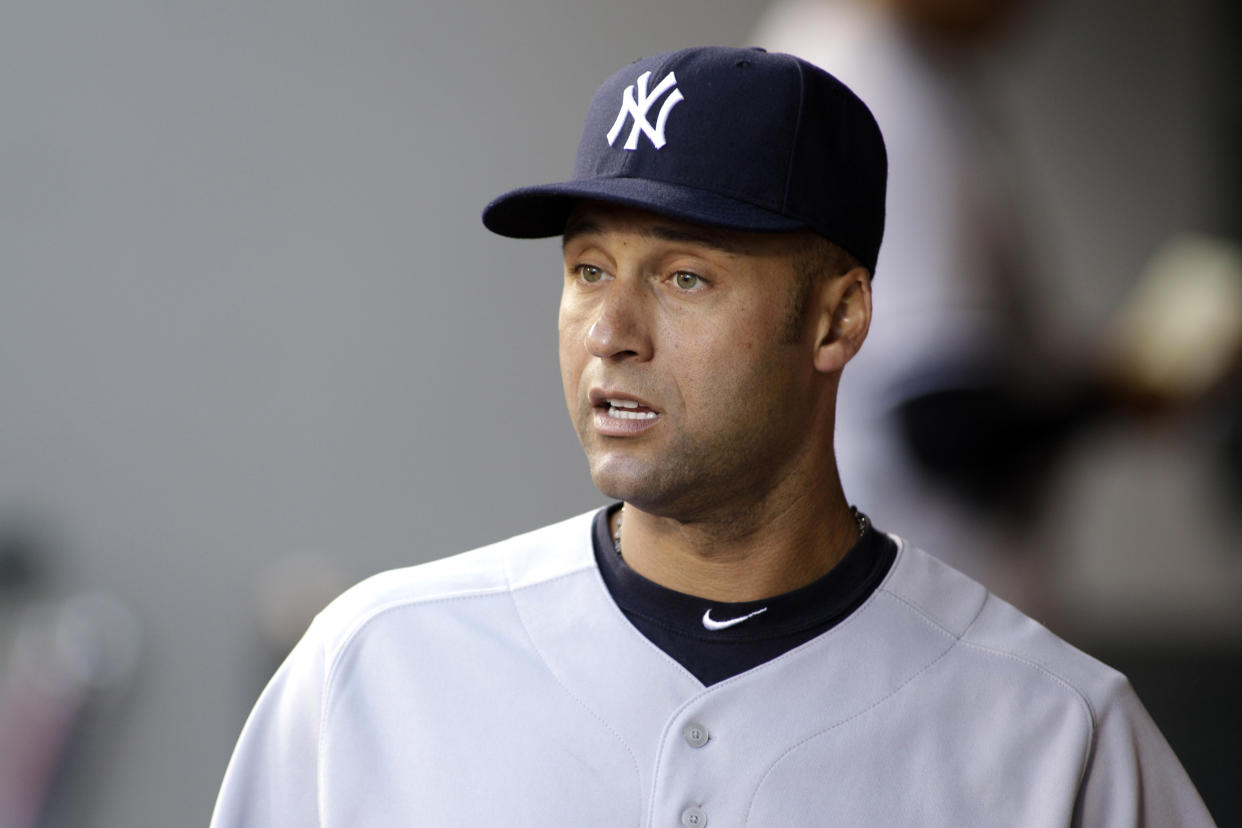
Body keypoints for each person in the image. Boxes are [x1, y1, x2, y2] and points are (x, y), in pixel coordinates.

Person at [210, 46, 1213, 826]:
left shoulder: (1056, 733)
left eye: (685, 276)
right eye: (589, 270)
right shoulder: (377, 666)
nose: (610, 333)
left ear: (838, 319)